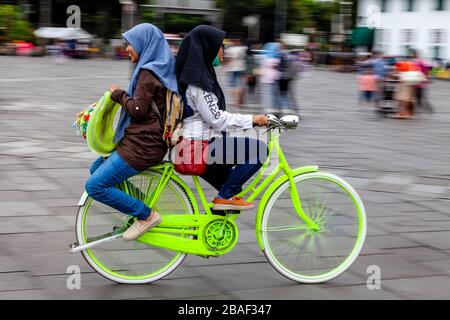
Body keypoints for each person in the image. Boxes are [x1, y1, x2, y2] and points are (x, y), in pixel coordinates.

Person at [85, 23, 178, 241]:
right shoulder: (161, 68)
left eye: (130, 44)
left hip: (142, 146)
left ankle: (146, 215)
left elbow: (138, 110)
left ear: (144, 44)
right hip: (145, 142)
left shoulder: (148, 72)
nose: (127, 48)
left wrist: (118, 94)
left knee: (95, 186)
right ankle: (141, 207)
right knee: (96, 167)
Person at [176, 25, 268, 211]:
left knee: (231, 199)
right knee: (259, 150)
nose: (223, 51)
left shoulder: (198, 75)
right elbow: (217, 119)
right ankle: (224, 197)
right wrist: (253, 119)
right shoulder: (199, 82)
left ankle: (202, 235)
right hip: (199, 149)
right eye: (220, 46)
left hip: (201, 144)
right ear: (208, 48)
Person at [225, 37, 248, 107]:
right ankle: (240, 101)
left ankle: (235, 101)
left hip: (232, 68)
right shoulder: (244, 48)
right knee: (241, 85)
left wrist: (225, 67)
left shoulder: (230, 49)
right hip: (242, 68)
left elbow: (228, 60)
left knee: (233, 85)